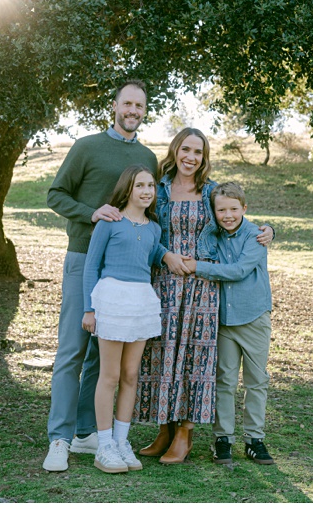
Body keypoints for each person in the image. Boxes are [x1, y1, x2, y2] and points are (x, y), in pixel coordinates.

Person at [44, 80, 185, 473]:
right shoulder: (86, 146)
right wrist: (92, 212)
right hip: (83, 257)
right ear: (115, 106)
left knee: (98, 358)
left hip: (125, 272)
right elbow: (56, 195)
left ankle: (88, 431)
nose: (133, 111)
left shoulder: (145, 156)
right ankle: (59, 437)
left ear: (143, 111)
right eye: (127, 103)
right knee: (73, 348)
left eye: (140, 106)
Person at [135, 128, 273, 464]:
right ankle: (164, 429)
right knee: (163, 355)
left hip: (202, 287)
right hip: (166, 281)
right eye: (186, 150)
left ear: (204, 157)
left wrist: (268, 230)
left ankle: (185, 432)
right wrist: (165, 255)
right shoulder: (161, 187)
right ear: (175, 150)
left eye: (198, 152)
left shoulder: (210, 191)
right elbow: (146, 224)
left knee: (195, 360)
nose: (191, 157)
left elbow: (235, 218)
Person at [82, 165, 166, 473]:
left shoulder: (154, 226)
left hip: (141, 300)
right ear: (128, 189)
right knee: (110, 376)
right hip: (112, 299)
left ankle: (121, 441)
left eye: (151, 186)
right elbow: (92, 266)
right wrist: (88, 310)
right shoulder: (111, 221)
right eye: (140, 185)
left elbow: (153, 252)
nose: (146, 191)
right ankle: (104, 445)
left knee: (131, 374)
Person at [183, 182, 274, 466]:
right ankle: (222, 439)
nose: (228, 215)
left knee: (256, 380)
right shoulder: (213, 235)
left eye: (234, 209)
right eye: (221, 210)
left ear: (244, 209)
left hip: (254, 317)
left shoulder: (256, 236)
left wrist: (198, 267)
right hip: (224, 320)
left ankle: (254, 439)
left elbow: (238, 271)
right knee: (224, 380)